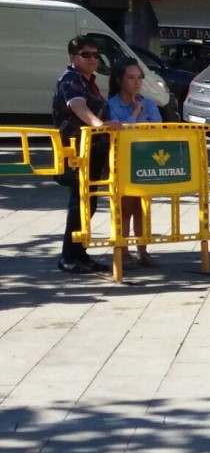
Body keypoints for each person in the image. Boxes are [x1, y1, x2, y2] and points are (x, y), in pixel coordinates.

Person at [51, 35, 121, 274]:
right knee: (79, 203)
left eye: (95, 54)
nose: (92, 59)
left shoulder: (88, 80)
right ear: (73, 57)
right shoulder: (71, 80)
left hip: (92, 150)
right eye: (86, 54)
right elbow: (78, 106)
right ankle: (69, 257)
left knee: (87, 203)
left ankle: (79, 254)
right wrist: (98, 125)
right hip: (77, 151)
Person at [106, 59, 162, 270]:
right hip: (122, 161)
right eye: (131, 78)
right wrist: (135, 115)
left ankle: (143, 250)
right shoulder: (111, 104)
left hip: (146, 160)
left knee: (143, 208)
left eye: (139, 78)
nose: (136, 82)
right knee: (125, 208)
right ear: (120, 80)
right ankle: (123, 250)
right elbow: (118, 131)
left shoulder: (149, 103)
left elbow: (157, 128)